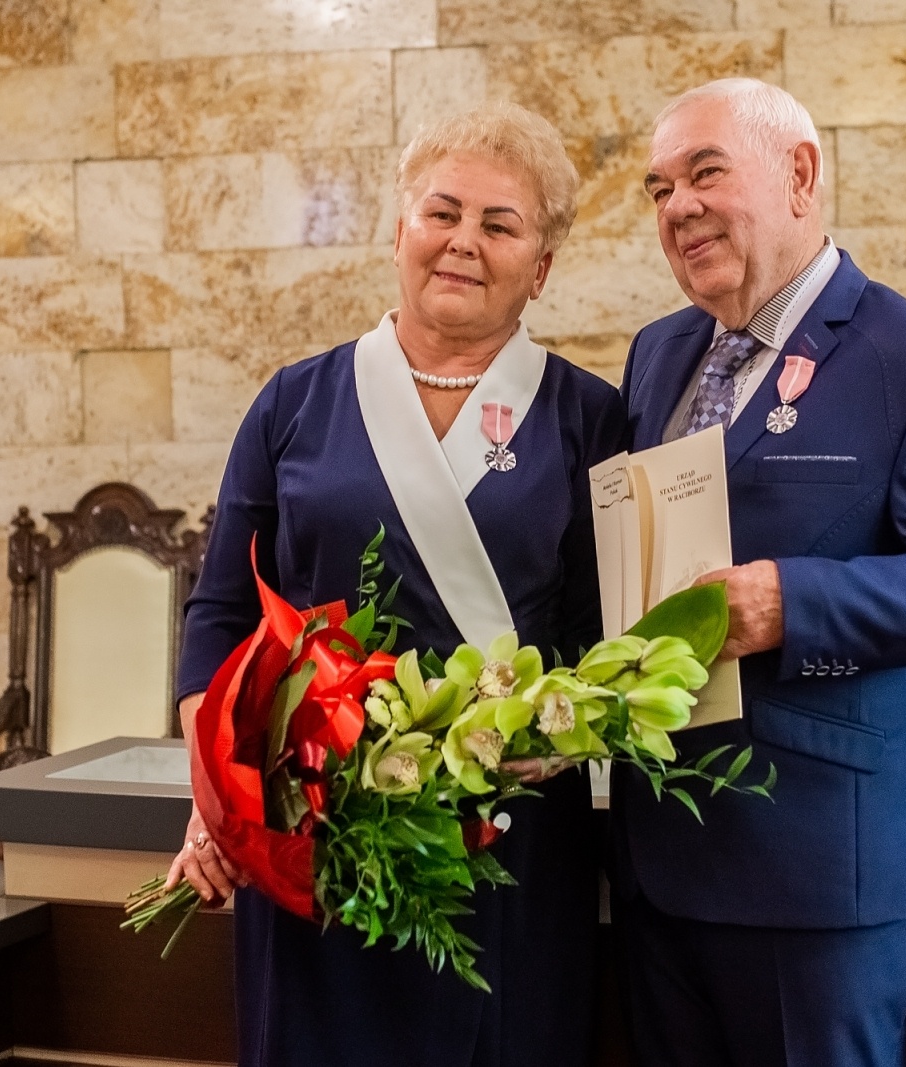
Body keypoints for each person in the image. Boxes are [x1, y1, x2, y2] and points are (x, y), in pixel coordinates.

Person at [167, 102, 627, 1067]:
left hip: (509, 847)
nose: (464, 241)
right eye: (441, 212)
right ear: (398, 231)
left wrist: (546, 734)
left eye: (500, 225)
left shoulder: (590, 421)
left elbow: (611, 646)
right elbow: (219, 615)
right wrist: (220, 797)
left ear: (539, 267)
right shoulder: (294, 402)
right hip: (312, 844)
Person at [612, 78, 906, 1067]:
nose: (677, 207)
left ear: (799, 174)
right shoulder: (655, 353)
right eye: (658, 187)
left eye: (705, 173)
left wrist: (791, 600)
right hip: (657, 851)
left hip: (818, 869)